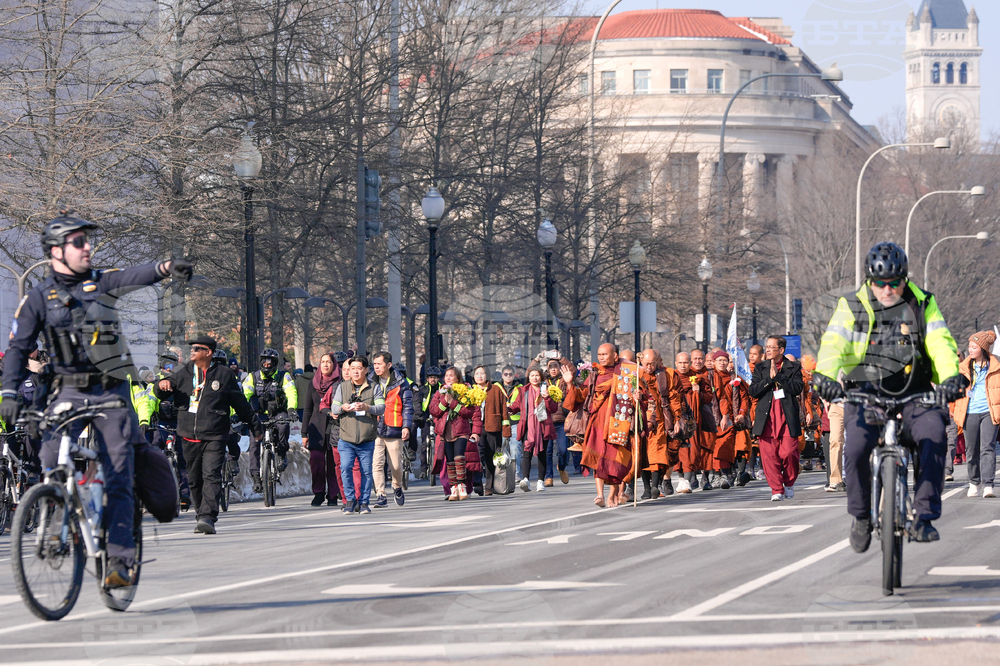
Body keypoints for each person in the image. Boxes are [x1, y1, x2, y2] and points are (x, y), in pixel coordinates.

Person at [0, 210, 192, 587]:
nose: (87, 247)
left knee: (118, 472)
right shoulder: (38, 298)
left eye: (88, 240)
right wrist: (8, 391)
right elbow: (18, 348)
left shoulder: (101, 283)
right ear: (55, 251)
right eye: (78, 241)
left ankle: (120, 561)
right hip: (66, 389)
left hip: (109, 390)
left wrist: (167, 267)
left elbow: (134, 275)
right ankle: (61, 506)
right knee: (49, 458)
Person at [813, 241, 964, 550]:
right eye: (879, 283)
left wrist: (950, 378)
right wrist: (825, 377)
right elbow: (833, 345)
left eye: (893, 282)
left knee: (934, 437)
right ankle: (861, 517)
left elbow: (941, 343)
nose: (886, 289)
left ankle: (924, 516)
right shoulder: (851, 305)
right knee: (855, 449)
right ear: (870, 280)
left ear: (904, 278)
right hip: (865, 392)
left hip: (916, 391)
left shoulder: (924, 303)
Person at [156, 336, 261, 534]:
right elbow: (163, 387)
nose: (192, 351)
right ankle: (200, 513)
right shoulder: (183, 372)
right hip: (188, 434)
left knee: (211, 475)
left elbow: (241, 404)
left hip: (215, 434)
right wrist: (161, 386)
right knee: (195, 479)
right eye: (192, 348)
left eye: (197, 348)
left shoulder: (224, 375)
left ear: (209, 352)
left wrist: (255, 427)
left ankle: (207, 517)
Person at [563, 343, 651, 507]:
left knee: (614, 461)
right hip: (597, 422)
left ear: (615, 356)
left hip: (618, 422)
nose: (601, 357)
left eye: (605, 354)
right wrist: (569, 384)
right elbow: (580, 397)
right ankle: (599, 495)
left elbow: (642, 396)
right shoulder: (595, 375)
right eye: (599, 354)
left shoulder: (628, 372)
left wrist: (638, 396)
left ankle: (612, 495)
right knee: (597, 457)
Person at [324, 355, 384, 514]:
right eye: (352, 369)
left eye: (359, 368)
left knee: (366, 472)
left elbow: (381, 408)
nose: (355, 372)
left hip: (366, 438)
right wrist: (343, 407)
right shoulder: (342, 387)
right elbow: (334, 408)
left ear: (366, 370)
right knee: (345, 467)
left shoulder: (374, 387)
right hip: (346, 438)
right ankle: (350, 500)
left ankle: (364, 502)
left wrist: (367, 407)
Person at [749, 336, 803, 501]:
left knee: (789, 452)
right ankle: (776, 489)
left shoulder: (793, 367)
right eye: (767, 347)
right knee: (769, 455)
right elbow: (753, 391)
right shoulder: (760, 368)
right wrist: (769, 379)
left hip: (786, 416)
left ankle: (789, 482)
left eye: (772, 347)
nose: (768, 350)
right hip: (767, 417)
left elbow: (797, 388)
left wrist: (779, 377)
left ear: (781, 350)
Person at [242, 348, 298, 493]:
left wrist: (291, 409)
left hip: (278, 413)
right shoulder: (252, 376)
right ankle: (255, 477)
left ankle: (281, 454)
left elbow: (291, 392)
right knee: (254, 444)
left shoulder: (283, 376)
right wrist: (238, 413)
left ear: (275, 363)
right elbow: (243, 395)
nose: (267, 364)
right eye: (264, 361)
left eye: (270, 362)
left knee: (283, 426)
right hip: (258, 415)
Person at [953, 331, 1000, 498]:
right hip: (969, 412)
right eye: (969, 346)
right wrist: (953, 409)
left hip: (989, 411)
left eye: (974, 347)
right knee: (971, 450)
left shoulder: (996, 367)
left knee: (988, 448)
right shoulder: (963, 368)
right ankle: (974, 482)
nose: (970, 349)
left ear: (983, 349)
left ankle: (988, 485)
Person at [429, 366, 481, 501]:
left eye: (451, 375)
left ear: (458, 378)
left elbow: (468, 412)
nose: (448, 378)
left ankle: (462, 486)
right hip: (445, 433)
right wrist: (444, 401)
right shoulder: (440, 392)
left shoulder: (465, 392)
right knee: (450, 461)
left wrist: (453, 403)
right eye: (446, 375)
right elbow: (434, 410)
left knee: (459, 458)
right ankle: (454, 488)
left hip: (461, 431)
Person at [369, 351, 413, 508]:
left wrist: (406, 425)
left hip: (394, 427)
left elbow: (408, 405)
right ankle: (380, 495)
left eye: (379, 364)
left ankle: (397, 486)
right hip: (374, 428)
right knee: (377, 463)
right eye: (374, 364)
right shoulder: (370, 381)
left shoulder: (401, 383)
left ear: (388, 365)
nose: (376, 367)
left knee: (396, 465)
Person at [510, 365, 560, 493]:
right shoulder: (523, 390)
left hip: (544, 426)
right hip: (527, 425)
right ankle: (525, 479)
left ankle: (540, 481)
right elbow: (516, 405)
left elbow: (553, 409)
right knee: (526, 452)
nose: (534, 378)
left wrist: (547, 397)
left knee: (542, 454)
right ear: (528, 377)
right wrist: (509, 409)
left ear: (541, 376)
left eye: (537, 375)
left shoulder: (548, 389)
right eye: (532, 375)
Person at [302, 353, 342, 507]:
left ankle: (333, 495)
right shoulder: (314, 383)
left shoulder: (340, 383)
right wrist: (304, 433)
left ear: (334, 364)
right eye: (323, 362)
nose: (325, 365)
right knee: (317, 462)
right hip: (316, 429)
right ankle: (318, 493)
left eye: (328, 362)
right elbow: (307, 409)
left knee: (333, 463)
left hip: (334, 427)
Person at [474, 365, 510, 496]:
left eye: (482, 373)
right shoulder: (470, 391)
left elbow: (504, 410)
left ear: (487, 375)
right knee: (477, 456)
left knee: (491, 459)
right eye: (477, 373)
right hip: (475, 429)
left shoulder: (495, 390)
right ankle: (477, 483)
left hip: (492, 428)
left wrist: (506, 430)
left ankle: (489, 487)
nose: (479, 376)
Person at [544, 359, 571, 486]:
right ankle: (549, 476)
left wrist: (561, 357)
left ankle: (561, 467)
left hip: (561, 421)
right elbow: (529, 374)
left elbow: (574, 371)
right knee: (547, 451)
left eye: (556, 366)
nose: (553, 369)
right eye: (551, 367)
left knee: (563, 449)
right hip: (547, 421)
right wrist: (537, 359)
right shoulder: (543, 381)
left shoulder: (564, 380)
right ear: (547, 369)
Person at [414, 364, 441, 479]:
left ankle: (440, 468)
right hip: (426, 417)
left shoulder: (442, 389)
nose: (433, 379)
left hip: (439, 418)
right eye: (430, 377)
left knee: (441, 444)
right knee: (425, 445)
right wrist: (419, 414)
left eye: (435, 377)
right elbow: (417, 402)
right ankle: (423, 469)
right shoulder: (423, 389)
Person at [496, 365, 523, 480]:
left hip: (515, 422)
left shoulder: (520, 388)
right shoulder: (496, 387)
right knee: (501, 448)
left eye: (510, 374)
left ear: (514, 375)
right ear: (502, 376)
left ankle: (515, 472)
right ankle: (502, 473)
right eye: (505, 374)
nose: (508, 376)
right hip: (501, 422)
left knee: (515, 447)